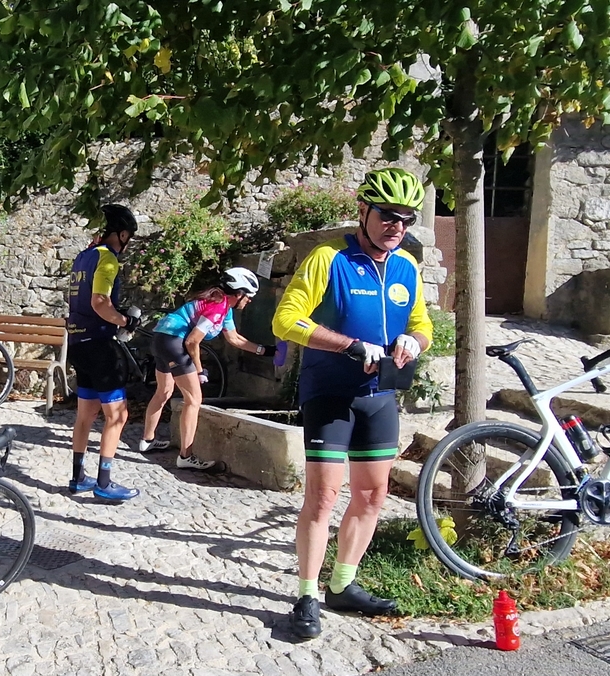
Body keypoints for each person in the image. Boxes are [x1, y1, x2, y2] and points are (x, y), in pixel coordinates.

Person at [272, 167, 433, 639]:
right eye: (388, 215)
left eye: (407, 218)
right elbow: (286, 321)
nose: (397, 226)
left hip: (380, 397)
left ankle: (343, 584)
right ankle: (306, 595)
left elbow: (422, 323)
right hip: (330, 393)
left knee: (372, 495)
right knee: (323, 497)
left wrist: (415, 342)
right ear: (363, 211)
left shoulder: (407, 267)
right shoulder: (330, 258)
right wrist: (350, 346)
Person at [138, 267, 275, 469]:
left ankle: (147, 441)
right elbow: (192, 341)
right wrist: (199, 370)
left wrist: (266, 351)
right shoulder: (218, 306)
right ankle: (186, 457)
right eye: (248, 296)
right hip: (174, 343)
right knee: (194, 400)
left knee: (164, 391)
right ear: (238, 293)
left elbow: (234, 339)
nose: (249, 301)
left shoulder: (223, 307)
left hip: (161, 339)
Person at [65, 203, 145, 501]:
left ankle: (78, 478)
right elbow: (100, 302)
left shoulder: (83, 256)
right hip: (99, 344)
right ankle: (104, 482)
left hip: (77, 342)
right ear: (122, 234)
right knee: (118, 416)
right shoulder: (108, 259)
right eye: (129, 237)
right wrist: (125, 320)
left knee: (85, 414)